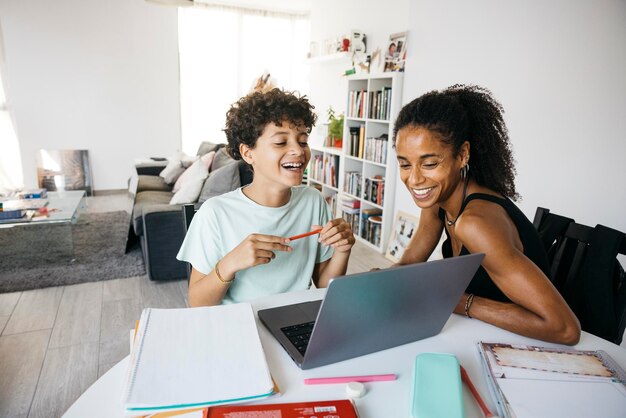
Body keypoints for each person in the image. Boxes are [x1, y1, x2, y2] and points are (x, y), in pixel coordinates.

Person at [392, 84, 581, 345]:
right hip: (479, 334)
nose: (414, 179)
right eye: (404, 164)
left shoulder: (475, 223)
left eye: (430, 164)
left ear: (462, 154)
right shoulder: (438, 201)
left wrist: (463, 302)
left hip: (523, 347)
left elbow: (565, 329)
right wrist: (377, 285)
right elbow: (409, 263)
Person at [178, 89, 355, 307]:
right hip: (240, 324)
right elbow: (197, 304)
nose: (298, 151)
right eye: (281, 142)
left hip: (295, 319)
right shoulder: (214, 213)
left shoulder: (313, 201)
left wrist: (342, 251)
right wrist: (230, 263)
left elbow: (324, 286)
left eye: (303, 141)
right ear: (248, 153)